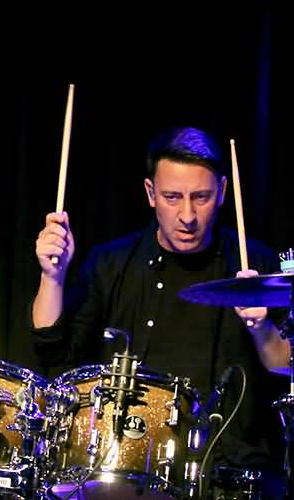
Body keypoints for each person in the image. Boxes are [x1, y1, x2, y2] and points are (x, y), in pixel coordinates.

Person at [29, 127, 290, 497]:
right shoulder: (112, 262)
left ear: (222, 191)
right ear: (151, 193)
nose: (187, 215)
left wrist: (260, 326)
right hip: (128, 466)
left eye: (201, 197)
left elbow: (284, 366)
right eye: (172, 197)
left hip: (231, 471)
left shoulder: (255, 262)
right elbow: (52, 349)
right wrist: (52, 277)